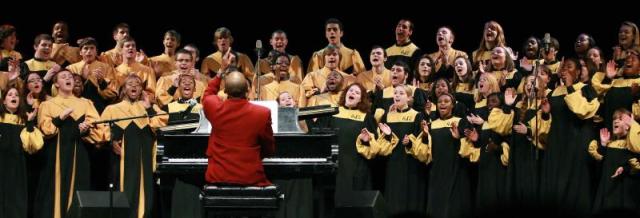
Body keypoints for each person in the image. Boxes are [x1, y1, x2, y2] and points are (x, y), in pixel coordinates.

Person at [34, 69, 105, 218]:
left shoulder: (85, 103)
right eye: (63, 77)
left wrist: (86, 130)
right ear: (57, 84)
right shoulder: (48, 105)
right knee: (53, 191)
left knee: (78, 191)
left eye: (70, 77)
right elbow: (46, 131)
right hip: (55, 155)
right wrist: (60, 117)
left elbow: (99, 130)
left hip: (79, 154)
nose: (69, 79)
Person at [101, 74, 168, 218]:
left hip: (145, 158)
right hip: (121, 159)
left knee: (146, 193)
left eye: (138, 84)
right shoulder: (112, 109)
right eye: (130, 83)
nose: (134, 86)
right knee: (123, 190)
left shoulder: (149, 107)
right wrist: (111, 141)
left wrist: (149, 108)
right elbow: (102, 130)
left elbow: (161, 124)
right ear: (124, 88)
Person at [202, 71, 275, 186]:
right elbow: (269, 149)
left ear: (225, 91)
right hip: (251, 177)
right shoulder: (262, 113)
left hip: (219, 176)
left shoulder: (215, 109)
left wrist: (219, 75)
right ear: (248, 90)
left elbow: (208, 96)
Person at [0, 86, 43, 218]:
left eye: (16, 95)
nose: (14, 97)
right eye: (10, 95)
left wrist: (30, 123)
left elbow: (33, 146)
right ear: (4, 101)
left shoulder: (24, 121)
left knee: (16, 200)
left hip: (18, 166)